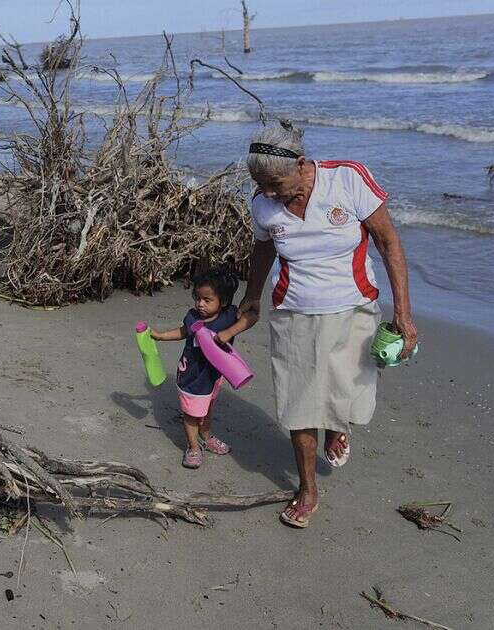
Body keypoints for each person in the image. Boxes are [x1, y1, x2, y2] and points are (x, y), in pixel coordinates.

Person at [235, 122, 418, 528]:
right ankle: (307, 488)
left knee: (345, 389)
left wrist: (403, 314)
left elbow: (389, 242)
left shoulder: (348, 179)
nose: (268, 193)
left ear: (301, 164)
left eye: (274, 183)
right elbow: (262, 250)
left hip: (354, 309)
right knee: (299, 404)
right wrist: (252, 296)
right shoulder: (263, 206)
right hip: (294, 311)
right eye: (260, 184)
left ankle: (337, 426)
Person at [149, 268, 255, 469]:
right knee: (191, 414)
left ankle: (206, 437)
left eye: (207, 300)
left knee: (207, 409)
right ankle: (193, 447)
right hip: (192, 377)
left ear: (223, 301)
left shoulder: (229, 316)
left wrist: (230, 332)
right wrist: (162, 336)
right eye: (197, 298)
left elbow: (252, 316)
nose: (200, 304)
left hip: (214, 376)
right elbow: (183, 332)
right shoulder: (192, 317)